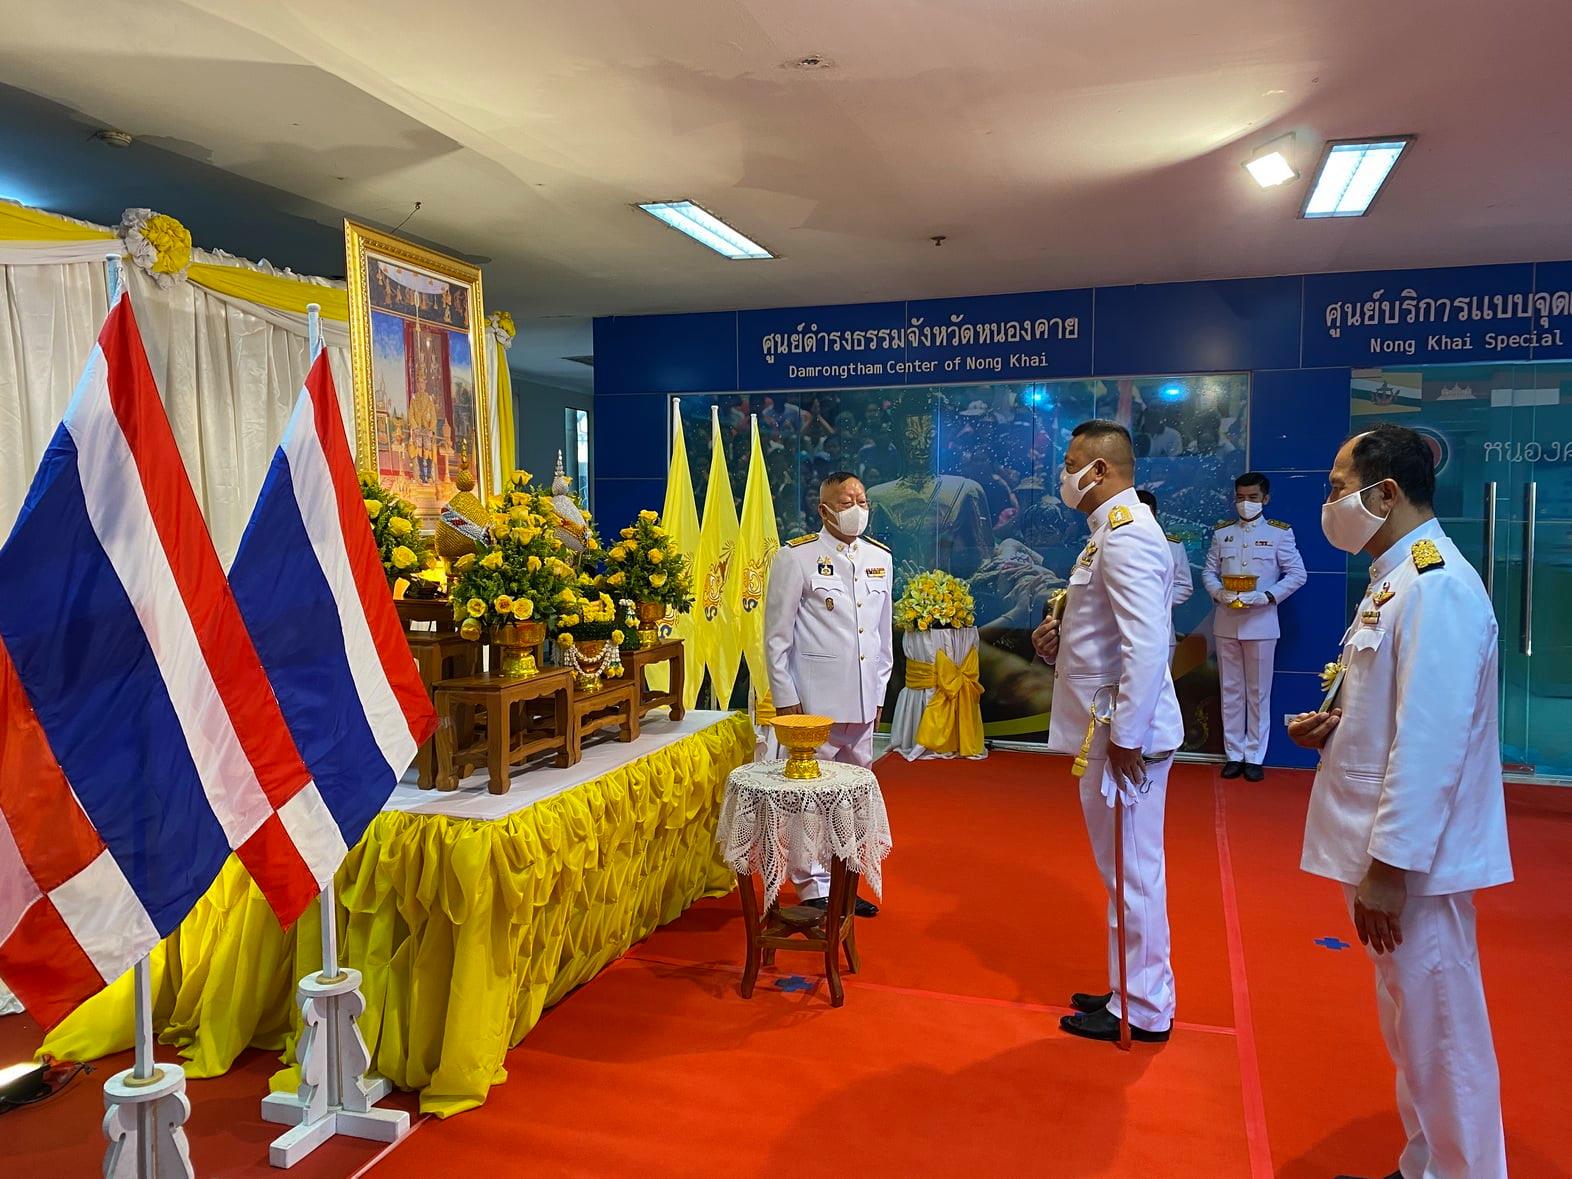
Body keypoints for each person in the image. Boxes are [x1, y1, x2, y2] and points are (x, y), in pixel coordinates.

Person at [1289, 426, 1511, 1179]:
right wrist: (1337, 726)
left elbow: (1433, 742)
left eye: (1335, 485)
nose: (1328, 502)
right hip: (1388, 850)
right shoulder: (1398, 577)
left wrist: (1391, 866)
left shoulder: (1438, 583)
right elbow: (1396, 710)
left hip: (1415, 863)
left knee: (1443, 1037)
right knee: (1411, 1028)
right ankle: (1425, 1165)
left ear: (1384, 493)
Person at [1032, 420, 1183, 1044]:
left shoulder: (1126, 536)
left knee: (1134, 869)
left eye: (1070, 463)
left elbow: (1148, 644)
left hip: (1121, 734)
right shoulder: (1104, 536)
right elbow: (1106, 635)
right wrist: (1054, 644)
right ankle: (1130, 986)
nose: (1062, 474)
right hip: (1109, 725)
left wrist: (1127, 736)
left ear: (1100, 471)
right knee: (1122, 868)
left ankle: (1144, 1009)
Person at [764, 471, 893, 918]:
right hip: (813, 705)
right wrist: (785, 698)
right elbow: (776, 638)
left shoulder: (880, 558)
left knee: (854, 797)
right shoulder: (796, 558)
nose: (857, 507)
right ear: (824, 510)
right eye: (846, 500)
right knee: (811, 797)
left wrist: (878, 692)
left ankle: (845, 879)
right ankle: (812, 885)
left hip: (861, 702)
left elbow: (882, 635)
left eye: (861, 498)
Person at [1202, 472, 1306, 781]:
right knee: (1231, 690)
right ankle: (1234, 753)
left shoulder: (1279, 533)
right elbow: (1209, 571)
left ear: (1266, 499)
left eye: (1253, 498)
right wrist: (1219, 592)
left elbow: (1297, 574)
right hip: (1227, 621)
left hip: (1261, 622)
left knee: (1258, 692)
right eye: (1241, 497)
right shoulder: (1223, 534)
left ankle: (1255, 756)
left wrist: (1267, 596)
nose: (1246, 503)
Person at [1136, 489, 1193, 662]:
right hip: (1121, 633)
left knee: (1162, 688)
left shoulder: (1172, 545)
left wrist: (1159, 600)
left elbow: (1184, 586)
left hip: (1161, 628)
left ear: (1154, 513)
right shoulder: (1113, 544)